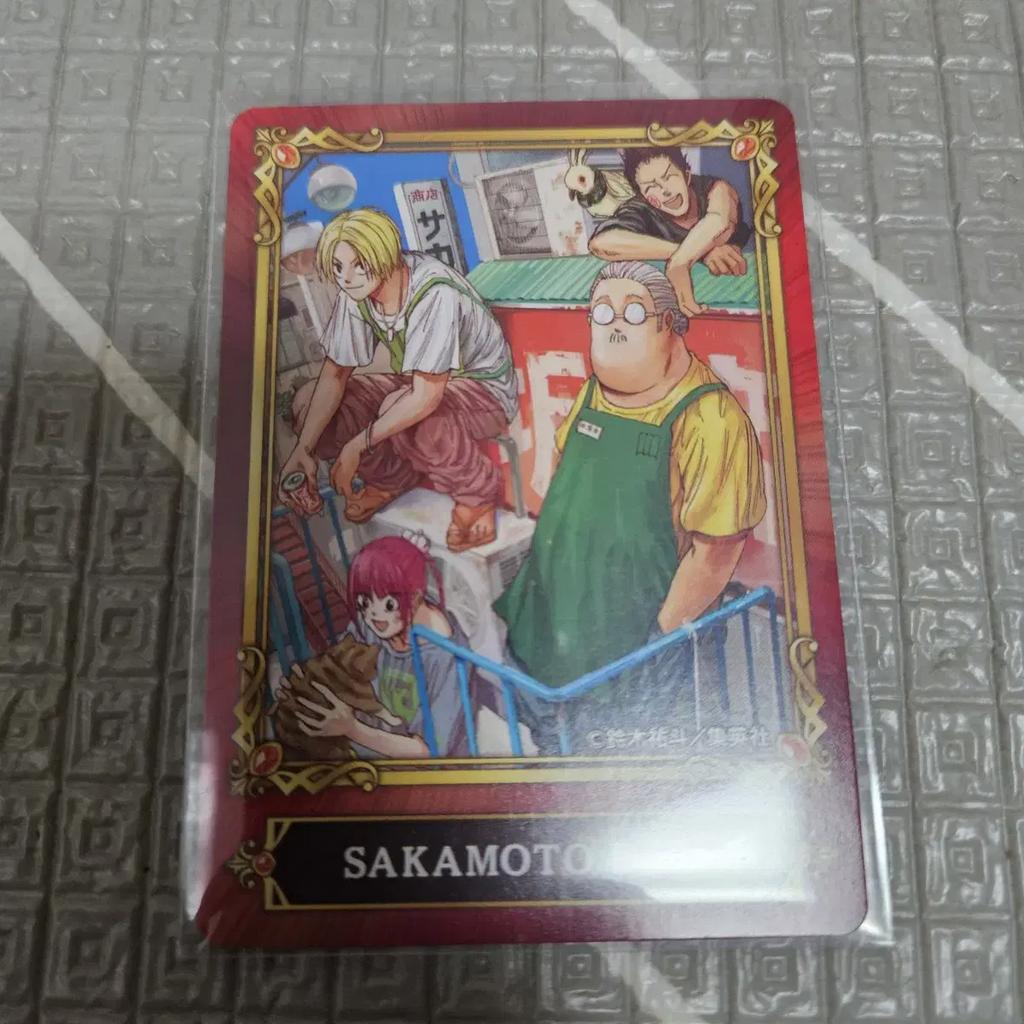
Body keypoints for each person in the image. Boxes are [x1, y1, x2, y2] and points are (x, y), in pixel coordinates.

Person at [494, 261, 766, 752]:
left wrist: (657, 641)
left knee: (617, 757)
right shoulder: (594, 393)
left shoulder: (711, 418)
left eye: (634, 312)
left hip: (630, 648)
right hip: (548, 618)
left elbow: (716, 552)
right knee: (549, 741)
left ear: (670, 325)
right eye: (602, 312)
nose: (615, 323)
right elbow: (565, 469)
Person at [278, 208, 518, 552]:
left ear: (384, 254)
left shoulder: (433, 290)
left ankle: (476, 496)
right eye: (338, 267)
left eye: (358, 264)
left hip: (485, 392)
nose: (347, 277)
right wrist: (303, 449)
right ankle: (390, 480)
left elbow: (425, 397)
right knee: (308, 403)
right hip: (419, 384)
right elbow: (334, 374)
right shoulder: (357, 294)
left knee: (403, 406)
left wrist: (356, 446)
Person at [288, 533, 471, 758]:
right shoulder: (371, 626)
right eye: (364, 602)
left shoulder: (448, 659)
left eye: (388, 604)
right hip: (370, 748)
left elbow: (430, 752)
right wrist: (308, 683)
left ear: (415, 597)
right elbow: (341, 666)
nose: (373, 614)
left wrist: (353, 729)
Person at [588, 147, 751, 318]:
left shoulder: (717, 189)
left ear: (686, 176)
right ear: (643, 197)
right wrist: (700, 254)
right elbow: (601, 243)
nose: (665, 190)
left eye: (668, 177)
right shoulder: (640, 209)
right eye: (651, 186)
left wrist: (678, 264)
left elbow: (719, 221)